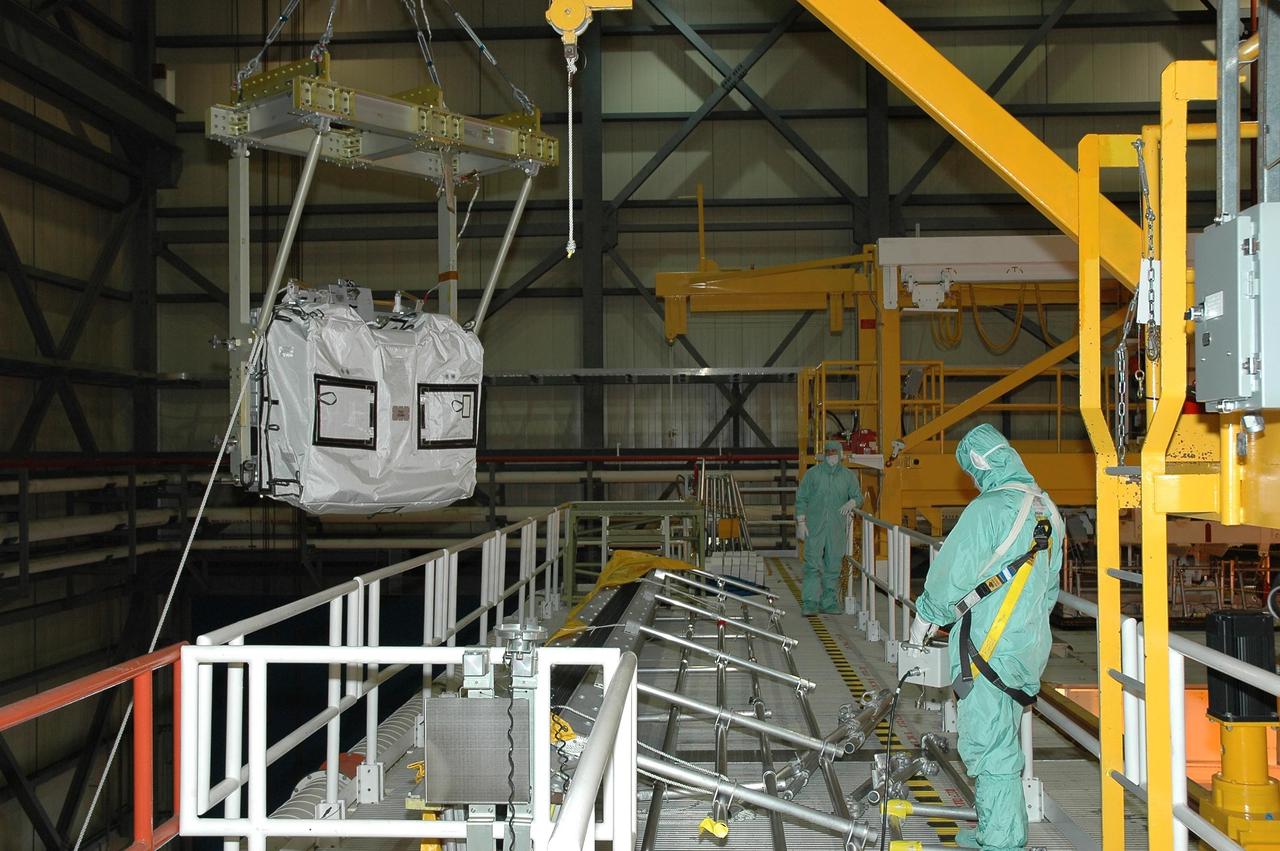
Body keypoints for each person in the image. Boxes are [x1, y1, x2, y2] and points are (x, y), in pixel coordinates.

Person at [908, 424, 1064, 851]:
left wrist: (925, 618)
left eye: (971, 470)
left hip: (988, 648)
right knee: (1002, 737)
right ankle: (997, 827)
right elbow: (1049, 588)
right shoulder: (1047, 509)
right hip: (1025, 646)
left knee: (988, 746)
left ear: (979, 464)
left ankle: (1001, 840)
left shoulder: (989, 509)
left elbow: (951, 573)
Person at [795, 440, 863, 615]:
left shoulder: (848, 476)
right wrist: (801, 522)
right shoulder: (813, 475)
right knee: (812, 563)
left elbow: (858, 496)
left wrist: (853, 502)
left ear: (841, 455)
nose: (832, 456)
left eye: (835, 453)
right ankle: (810, 602)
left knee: (833, 564)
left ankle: (829, 601)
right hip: (814, 526)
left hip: (836, 528)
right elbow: (801, 498)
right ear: (824, 455)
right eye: (829, 453)